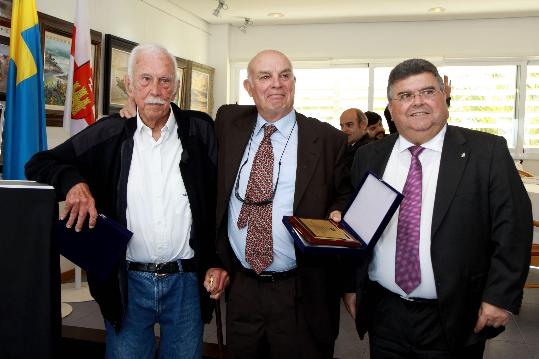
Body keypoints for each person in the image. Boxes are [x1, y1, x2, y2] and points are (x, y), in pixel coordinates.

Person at [25, 43, 228, 359]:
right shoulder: (111, 132)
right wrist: (74, 183)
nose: (155, 90)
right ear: (130, 85)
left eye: (164, 80)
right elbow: (39, 163)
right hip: (127, 283)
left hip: (187, 282)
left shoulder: (200, 130)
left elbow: (219, 200)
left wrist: (218, 259)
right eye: (145, 80)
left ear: (175, 87)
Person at [345, 58, 532, 358]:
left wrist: (500, 296)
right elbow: (358, 230)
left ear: (444, 96)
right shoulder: (369, 157)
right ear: (391, 108)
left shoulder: (486, 152)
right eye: (405, 95)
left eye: (428, 91)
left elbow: (514, 229)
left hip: (457, 314)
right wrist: (352, 287)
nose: (417, 102)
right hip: (385, 312)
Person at [214, 50, 351, 359]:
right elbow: (186, 127)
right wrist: (135, 110)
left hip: (301, 289)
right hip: (243, 287)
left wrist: (340, 211)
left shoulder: (328, 139)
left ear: (293, 82)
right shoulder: (227, 123)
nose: (276, 84)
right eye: (265, 77)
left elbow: (345, 192)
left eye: (284, 75)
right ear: (249, 88)